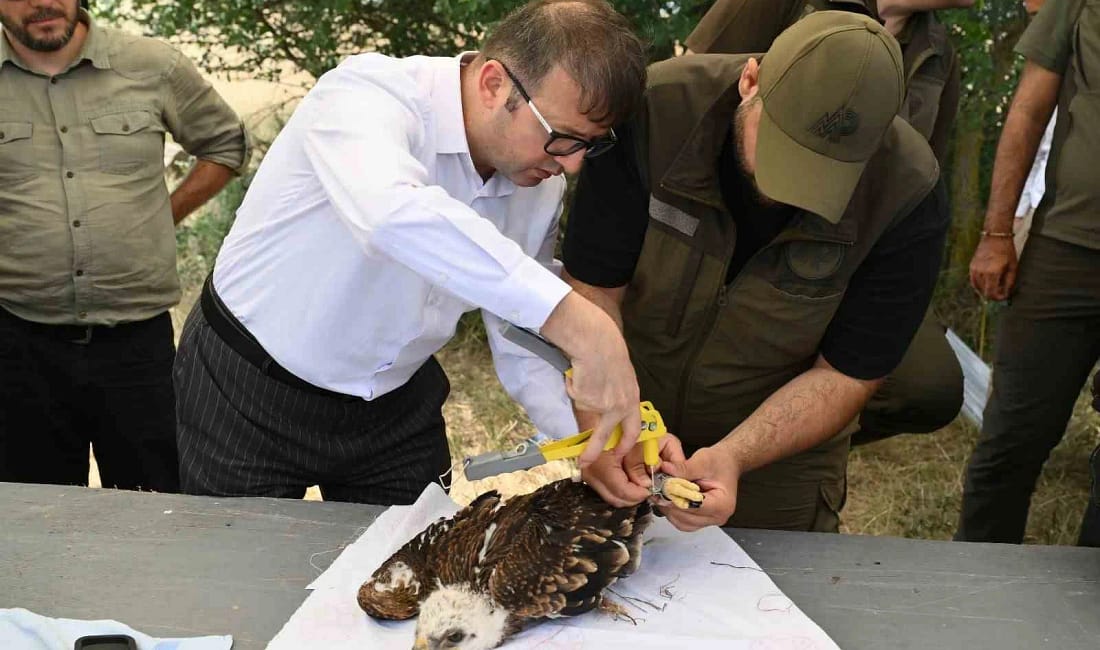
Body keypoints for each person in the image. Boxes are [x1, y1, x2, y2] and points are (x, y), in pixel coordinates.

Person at [173, 0, 649, 505]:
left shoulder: (538, 183)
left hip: (396, 404)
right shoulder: (368, 93)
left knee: (412, 572)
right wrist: (580, 322)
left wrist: (600, 441)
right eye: (562, 138)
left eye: (589, 145)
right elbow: (389, 213)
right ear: (493, 83)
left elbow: (517, 331)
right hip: (248, 386)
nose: (572, 167)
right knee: (244, 571)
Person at [564, 11, 946, 531]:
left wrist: (736, 455)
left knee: (773, 603)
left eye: (823, 171)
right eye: (782, 146)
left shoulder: (908, 191)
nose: (787, 187)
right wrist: (614, 424)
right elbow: (594, 291)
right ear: (750, 80)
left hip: (780, 449)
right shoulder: (657, 111)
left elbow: (845, 375)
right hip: (633, 403)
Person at [685, 0, 972, 447]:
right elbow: (691, 89)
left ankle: (801, 434)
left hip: (844, 236)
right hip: (725, 214)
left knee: (927, 383)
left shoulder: (939, 52)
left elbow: (919, 176)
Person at [0, 0, 249, 492]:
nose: (41, 3)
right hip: (19, 346)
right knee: (35, 518)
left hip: (137, 348)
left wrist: (162, 216)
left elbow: (224, 144)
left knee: (157, 507)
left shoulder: (151, 64)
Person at [958, 0, 1100, 544]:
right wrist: (996, 234)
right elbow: (1028, 109)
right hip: (1067, 251)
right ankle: (977, 591)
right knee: (1011, 440)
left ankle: (1086, 611)